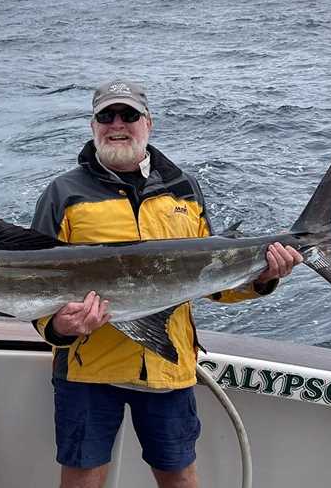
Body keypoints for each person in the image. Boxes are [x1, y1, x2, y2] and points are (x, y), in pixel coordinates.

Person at [31, 80, 303, 488]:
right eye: (106, 116)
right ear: (93, 125)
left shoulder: (183, 189)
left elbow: (214, 284)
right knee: (83, 477)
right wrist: (58, 328)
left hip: (166, 366)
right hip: (88, 372)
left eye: (128, 115)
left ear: (148, 123)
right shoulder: (62, 193)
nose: (117, 125)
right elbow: (29, 285)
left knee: (178, 477)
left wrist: (263, 278)